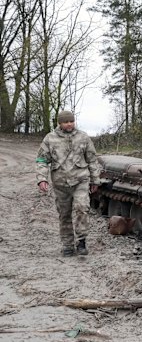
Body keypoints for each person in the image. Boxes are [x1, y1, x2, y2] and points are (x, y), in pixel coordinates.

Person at [36, 110, 100, 257]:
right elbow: (41, 160)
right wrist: (42, 179)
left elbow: (92, 159)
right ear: (60, 123)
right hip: (60, 183)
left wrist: (95, 179)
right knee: (64, 214)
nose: (69, 124)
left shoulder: (83, 137)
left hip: (80, 180)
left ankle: (82, 241)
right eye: (66, 122)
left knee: (82, 208)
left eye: (71, 121)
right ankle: (67, 245)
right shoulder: (50, 139)